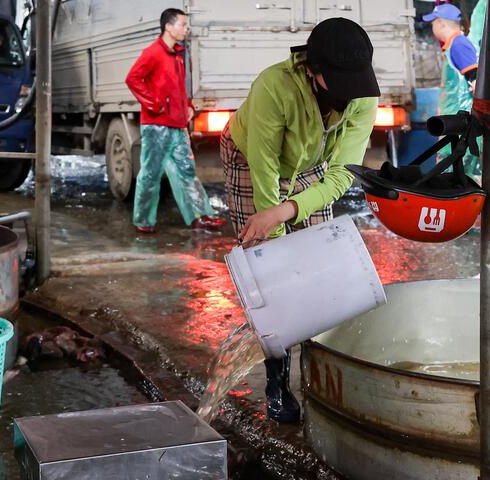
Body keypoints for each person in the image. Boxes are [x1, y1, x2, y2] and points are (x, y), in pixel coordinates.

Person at [220, 17, 380, 422]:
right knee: (270, 270)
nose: (349, 94)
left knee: (316, 264)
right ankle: (277, 381)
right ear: (312, 70)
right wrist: (272, 226)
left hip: (312, 164)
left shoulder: (362, 94)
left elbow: (343, 174)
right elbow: (265, 170)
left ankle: (319, 371)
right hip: (250, 157)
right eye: (338, 83)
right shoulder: (273, 86)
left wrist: (289, 209)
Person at [125, 8, 225, 234]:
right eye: (182, 25)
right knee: (151, 174)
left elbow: (177, 87)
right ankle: (143, 221)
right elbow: (133, 79)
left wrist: (187, 106)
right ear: (168, 27)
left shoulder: (176, 54)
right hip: (156, 126)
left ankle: (200, 216)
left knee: (187, 171)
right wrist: (155, 105)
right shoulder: (153, 52)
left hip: (177, 125)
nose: (186, 29)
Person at [424, 3, 481, 178]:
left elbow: (475, 80)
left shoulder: (459, 45)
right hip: (453, 122)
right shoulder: (454, 45)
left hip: (459, 122)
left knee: (457, 171)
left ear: (441, 23)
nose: (432, 27)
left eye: (433, 23)